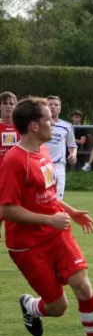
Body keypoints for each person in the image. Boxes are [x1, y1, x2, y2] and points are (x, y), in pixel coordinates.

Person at [0, 97, 93, 336]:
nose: (53, 121)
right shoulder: (15, 161)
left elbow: (48, 195)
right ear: (34, 126)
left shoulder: (44, 151)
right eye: (48, 118)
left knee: (83, 287)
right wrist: (49, 220)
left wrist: (71, 212)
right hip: (27, 246)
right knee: (57, 307)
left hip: (57, 235)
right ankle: (30, 306)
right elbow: (7, 209)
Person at [46, 95, 77, 200]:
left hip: (59, 165)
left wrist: (73, 154)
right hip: (42, 165)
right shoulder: (38, 124)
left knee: (57, 199)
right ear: (46, 107)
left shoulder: (66, 126)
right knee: (42, 198)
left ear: (60, 108)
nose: (53, 107)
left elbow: (72, 145)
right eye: (50, 104)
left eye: (56, 105)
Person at [0, 91, 19, 244]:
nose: (8, 106)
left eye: (11, 103)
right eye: (5, 103)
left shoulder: (22, 128)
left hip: (16, 178)